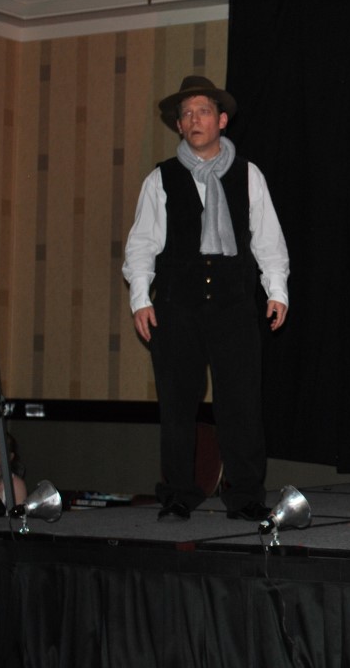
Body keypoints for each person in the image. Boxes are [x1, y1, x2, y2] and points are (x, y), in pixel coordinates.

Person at [123, 76, 290, 523]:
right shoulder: (161, 178)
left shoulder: (249, 174)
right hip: (177, 305)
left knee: (241, 403)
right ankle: (179, 492)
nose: (194, 119)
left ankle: (246, 495)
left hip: (234, 304)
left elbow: (268, 239)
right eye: (186, 114)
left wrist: (276, 290)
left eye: (203, 111)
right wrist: (140, 298)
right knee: (178, 404)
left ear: (221, 120)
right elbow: (142, 245)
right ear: (179, 126)